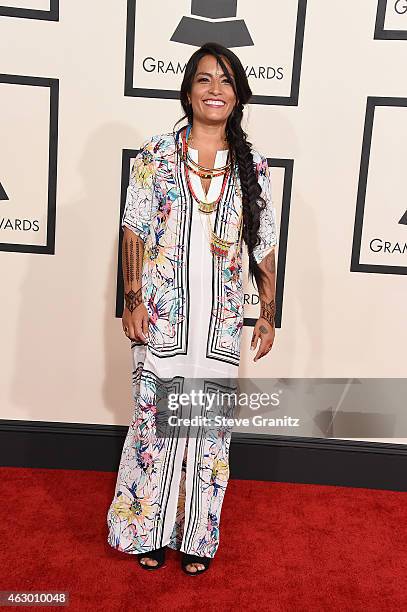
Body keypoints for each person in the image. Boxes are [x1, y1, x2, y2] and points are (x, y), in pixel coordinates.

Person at [107, 42, 277, 576]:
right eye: (205, 79)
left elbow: (265, 246)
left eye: (226, 81)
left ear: (238, 95)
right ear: (188, 91)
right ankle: (147, 530)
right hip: (161, 316)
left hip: (220, 325)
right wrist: (132, 299)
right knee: (154, 423)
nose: (215, 90)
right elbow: (134, 228)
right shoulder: (154, 155)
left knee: (208, 428)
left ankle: (198, 536)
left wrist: (267, 312)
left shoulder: (254, 167)